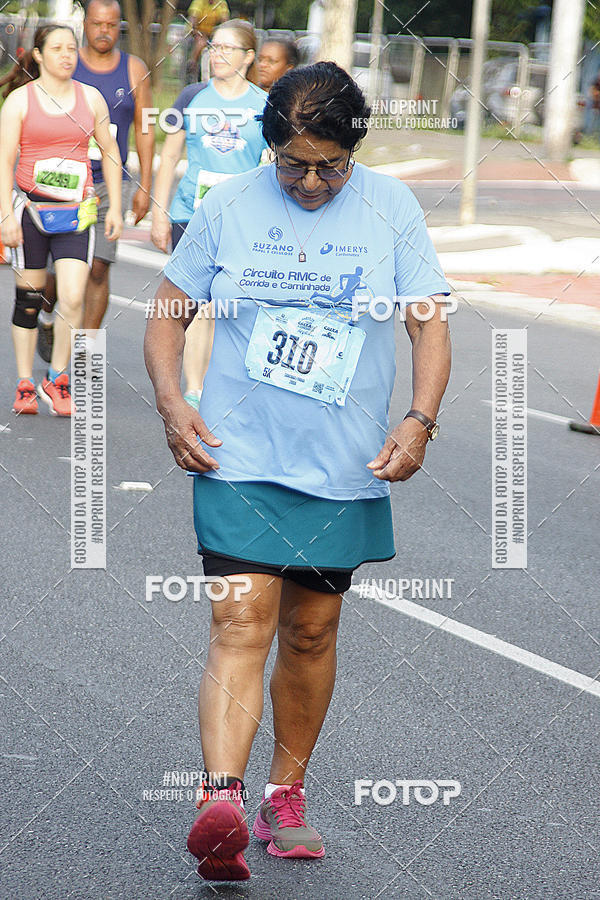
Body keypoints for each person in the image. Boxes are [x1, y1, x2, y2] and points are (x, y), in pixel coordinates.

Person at [144, 62, 451, 881]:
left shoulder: (392, 208)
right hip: (240, 456)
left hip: (344, 464)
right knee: (241, 619)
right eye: (292, 164)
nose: (310, 182)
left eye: (328, 166)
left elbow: (427, 325)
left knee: (311, 630)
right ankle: (222, 804)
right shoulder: (227, 205)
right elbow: (167, 315)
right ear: (267, 148)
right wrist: (176, 409)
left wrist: (419, 422)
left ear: (356, 150)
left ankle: (286, 795)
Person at [0, 24, 122, 416]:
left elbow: (111, 154)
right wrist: (6, 216)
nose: (67, 55)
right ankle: (24, 383)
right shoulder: (20, 101)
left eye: (72, 48)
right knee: (29, 301)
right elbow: (3, 161)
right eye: (57, 48)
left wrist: (115, 207)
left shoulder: (91, 99)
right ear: (39, 55)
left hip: (76, 213)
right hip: (30, 210)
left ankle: (57, 378)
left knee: (71, 296)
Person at [151, 19, 267, 410]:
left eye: (227, 49)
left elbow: (272, 162)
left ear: (248, 57)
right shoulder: (191, 97)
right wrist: (159, 213)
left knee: (228, 305)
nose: (216, 55)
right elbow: (169, 157)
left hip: (241, 220)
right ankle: (196, 389)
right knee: (198, 306)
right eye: (213, 47)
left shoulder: (264, 105)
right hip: (191, 214)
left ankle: (228, 383)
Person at [35, 0, 154, 363]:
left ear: (120, 26)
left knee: (98, 267)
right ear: (85, 24)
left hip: (109, 181)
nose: (104, 31)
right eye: (97, 23)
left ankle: (83, 353)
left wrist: (145, 184)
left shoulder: (134, 70)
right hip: (61, 180)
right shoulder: (68, 63)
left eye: (111, 24)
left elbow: (145, 128)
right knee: (55, 271)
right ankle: (45, 314)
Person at [187, 0, 230, 81]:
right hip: (198, 31)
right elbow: (193, 18)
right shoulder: (199, 2)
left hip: (212, 33)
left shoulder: (221, 3)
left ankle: (217, 71)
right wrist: (196, 31)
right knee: (201, 43)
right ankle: (192, 65)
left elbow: (225, 20)